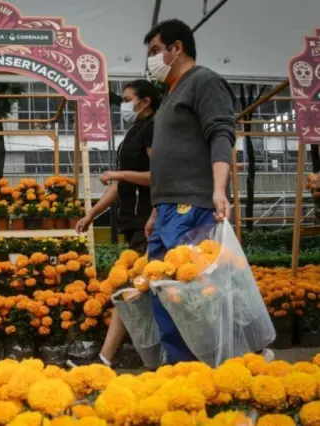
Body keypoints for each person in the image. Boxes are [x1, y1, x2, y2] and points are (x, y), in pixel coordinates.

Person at [143, 19, 235, 364]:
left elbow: (221, 133)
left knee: (191, 293)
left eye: (155, 51)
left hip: (192, 206)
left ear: (176, 48)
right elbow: (168, 158)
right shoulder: (171, 94)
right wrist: (155, 208)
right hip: (167, 209)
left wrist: (219, 189)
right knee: (163, 290)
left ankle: (205, 368)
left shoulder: (204, 81)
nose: (151, 59)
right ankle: (178, 368)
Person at [72, 79, 160, 367]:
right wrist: (92, 214)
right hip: (135, 225)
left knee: (135, 287)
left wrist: (120, 175)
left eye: (126, 99)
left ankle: (108, 356)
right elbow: (119, 186)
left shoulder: (153, 128)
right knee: (134, 288)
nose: (122, 105)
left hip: (149, 222)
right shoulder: (136, 131)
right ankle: (109, 356)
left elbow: (159, 177)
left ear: (145, 102)